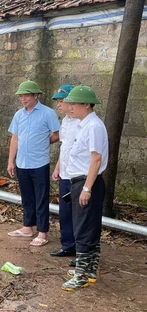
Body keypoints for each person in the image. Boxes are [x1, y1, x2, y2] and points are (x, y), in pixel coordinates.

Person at [61, 85, 108, 291]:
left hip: (88, 182)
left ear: (87, 104)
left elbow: (96, 159)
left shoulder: (94, 126)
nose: (70, 107)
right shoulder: (83, 125)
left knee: (83, 230)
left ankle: (81, 274)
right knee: (88, 227)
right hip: (80, 181)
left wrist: (87, 188)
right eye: (69, 103)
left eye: (74, 104)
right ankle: (89, 269)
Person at [7, 80, 60, 246]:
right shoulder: (19, 115)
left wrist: (45, 142)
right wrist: (11, 161)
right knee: (26, 197)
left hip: (39, 163)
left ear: (35, 95)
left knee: (41, 197)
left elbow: (58, 134)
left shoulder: (48, 113)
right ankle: (27, 227)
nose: (23, 99)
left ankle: (42, 232)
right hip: (22, 162)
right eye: (21, 96)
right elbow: (15, 138)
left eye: (27, 95)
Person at [50, 85, 79, 258]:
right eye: (58, 101)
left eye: (61, 101)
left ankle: (80, 248)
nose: (58, 105)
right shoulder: (66, 121)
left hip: (78, 175)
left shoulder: (81, 122)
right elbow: (65, 146)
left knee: (78, 214)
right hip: (65, 174)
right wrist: (58, 166)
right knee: (65, 211)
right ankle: (67, 244)